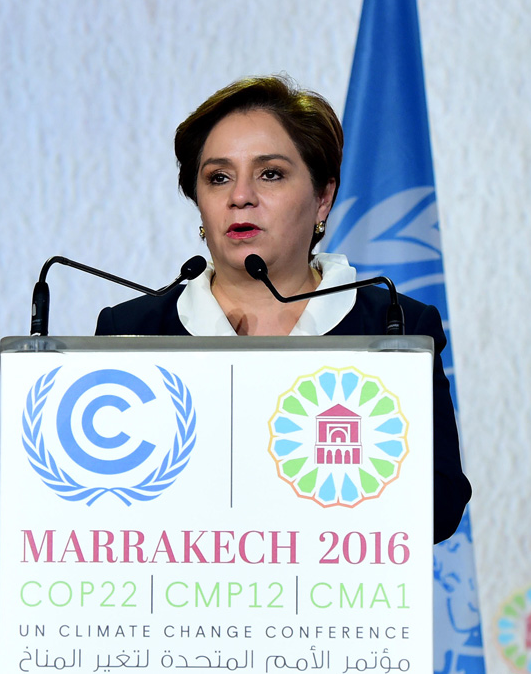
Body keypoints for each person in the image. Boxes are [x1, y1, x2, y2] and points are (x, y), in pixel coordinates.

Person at [95, 75, 470, 543]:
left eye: (270, 173)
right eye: (218, 177)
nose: (240, 196)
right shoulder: (133, 329)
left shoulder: (393, 326)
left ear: (323, 198)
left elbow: (440, 504)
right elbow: (103, 509)